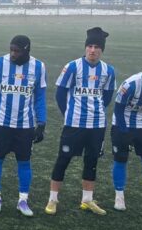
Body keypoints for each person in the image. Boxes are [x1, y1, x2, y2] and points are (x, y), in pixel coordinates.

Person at [47, 27, 115, 216]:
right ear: (85, 47)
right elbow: (60, 93)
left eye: (97, 47)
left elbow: (107, 96)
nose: (93, 50)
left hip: (97, 125)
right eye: (90, 46)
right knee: (63, 159)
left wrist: (96, 111)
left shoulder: (108, 70)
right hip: (74, 123)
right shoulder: (72, 67)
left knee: (91, 161)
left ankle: (87, 200)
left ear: (102, 50)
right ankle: (52, 199)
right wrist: (68, 113)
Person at [0, 35, 47, 216]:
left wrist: (41, 123)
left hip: (25, 126)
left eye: (17, 51)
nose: (12, 54)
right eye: (11, 50)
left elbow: (40, 97)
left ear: (27, 50)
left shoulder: (39, 67)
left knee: (24, 162)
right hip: (0, 123)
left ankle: (23, 200)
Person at [111, 70, 142, 211]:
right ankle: (119, 196)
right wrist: (124, 131)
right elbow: (118, 109)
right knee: (121, 159)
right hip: (122, 124)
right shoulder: (131, 84)